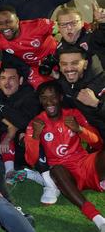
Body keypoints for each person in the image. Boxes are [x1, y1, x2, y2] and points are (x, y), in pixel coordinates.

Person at [24, 81, 105, 231]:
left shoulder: (74, 114)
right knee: (56, 170)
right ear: (40, 100)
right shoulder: (36, 123)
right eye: (44, 98)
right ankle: (98, 219)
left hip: (85, 163)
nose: (49, 102)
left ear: (60, 97)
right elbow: (31, 159)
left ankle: (99, 180)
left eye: (53, 97)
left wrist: (80, 129)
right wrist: (35, 135)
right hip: (67, 175)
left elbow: (98, 143)